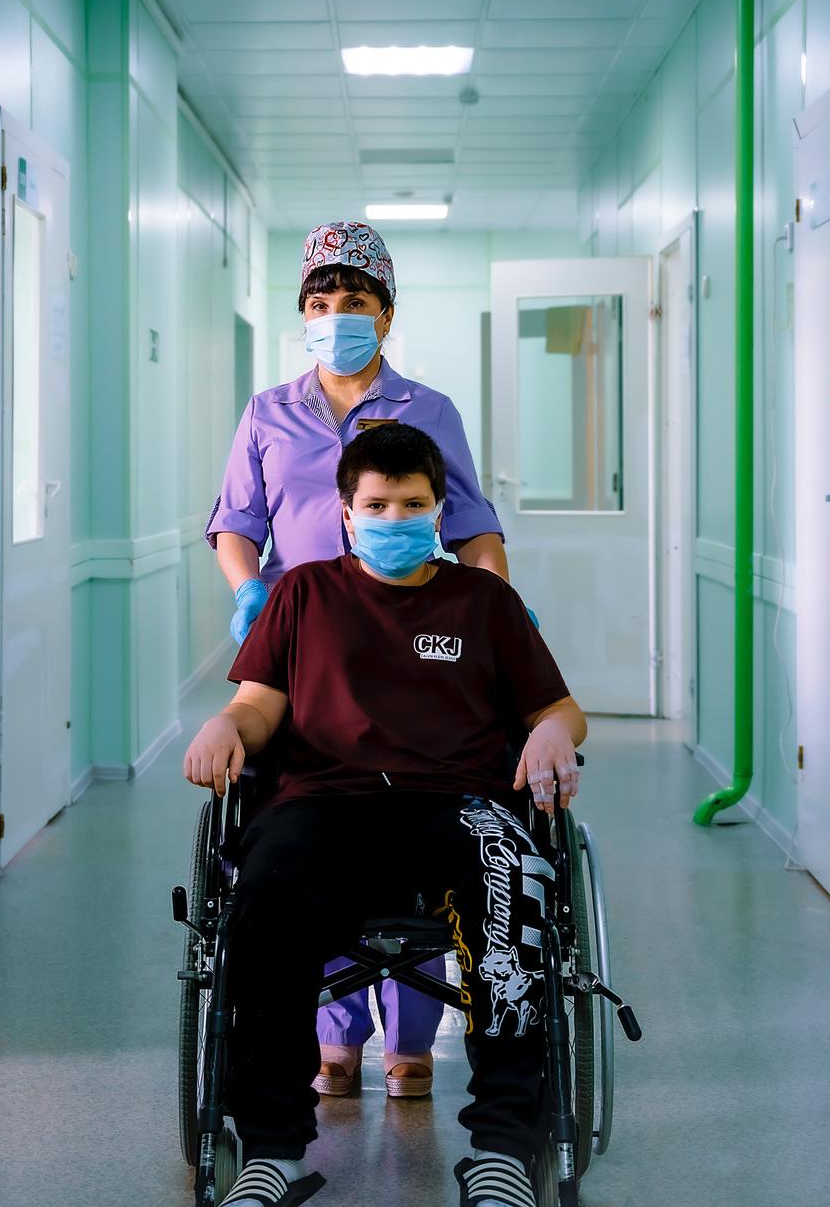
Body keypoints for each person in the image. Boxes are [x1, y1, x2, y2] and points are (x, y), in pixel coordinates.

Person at [186, 424, 586, 1207]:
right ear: (345, 511)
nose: (394, 517)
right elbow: (258, 705)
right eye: (377, 503)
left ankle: (503, 1147)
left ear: (439, 510)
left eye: (412, 503)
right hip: (325, 801)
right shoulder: (301, 594)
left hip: (458, 803)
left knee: (511, 882)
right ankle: (273, 1149)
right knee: (264, 891)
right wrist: (226, 724)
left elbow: (560, 710)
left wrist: (546, 732)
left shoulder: (484, 601)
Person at [206, 220, 508, 1099]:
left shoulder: (427, 411)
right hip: (297, 643)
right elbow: (236, 523)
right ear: (302, 313)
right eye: (320, 303)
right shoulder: (269, 411)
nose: (337, 316)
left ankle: (411, 1034)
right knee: (311, 806)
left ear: (385, 314)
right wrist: (250, 591)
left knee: (413, 800)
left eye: (356, 304)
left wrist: (497, 607)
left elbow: (472, 524)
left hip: (403, 641)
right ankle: (331, 1032)